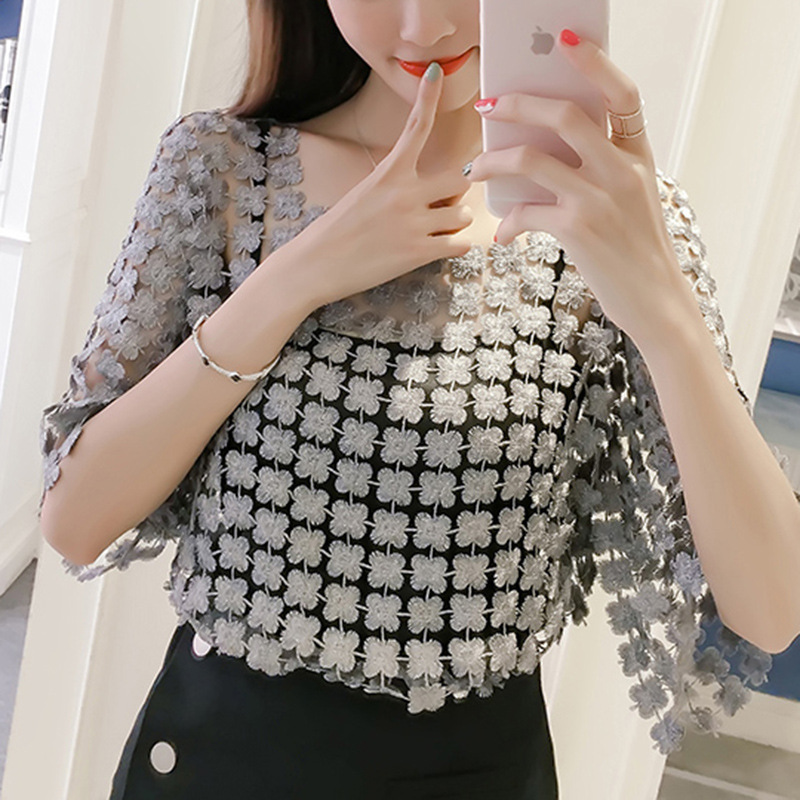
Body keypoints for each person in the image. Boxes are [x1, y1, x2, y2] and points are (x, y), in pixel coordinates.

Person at [37, 1, 800, 798]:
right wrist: (294, 279)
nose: (421, 28)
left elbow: (772, 609)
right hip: (217, 762)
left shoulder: (615, 221)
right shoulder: (224, 171)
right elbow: (76, 520)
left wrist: (665, 316)